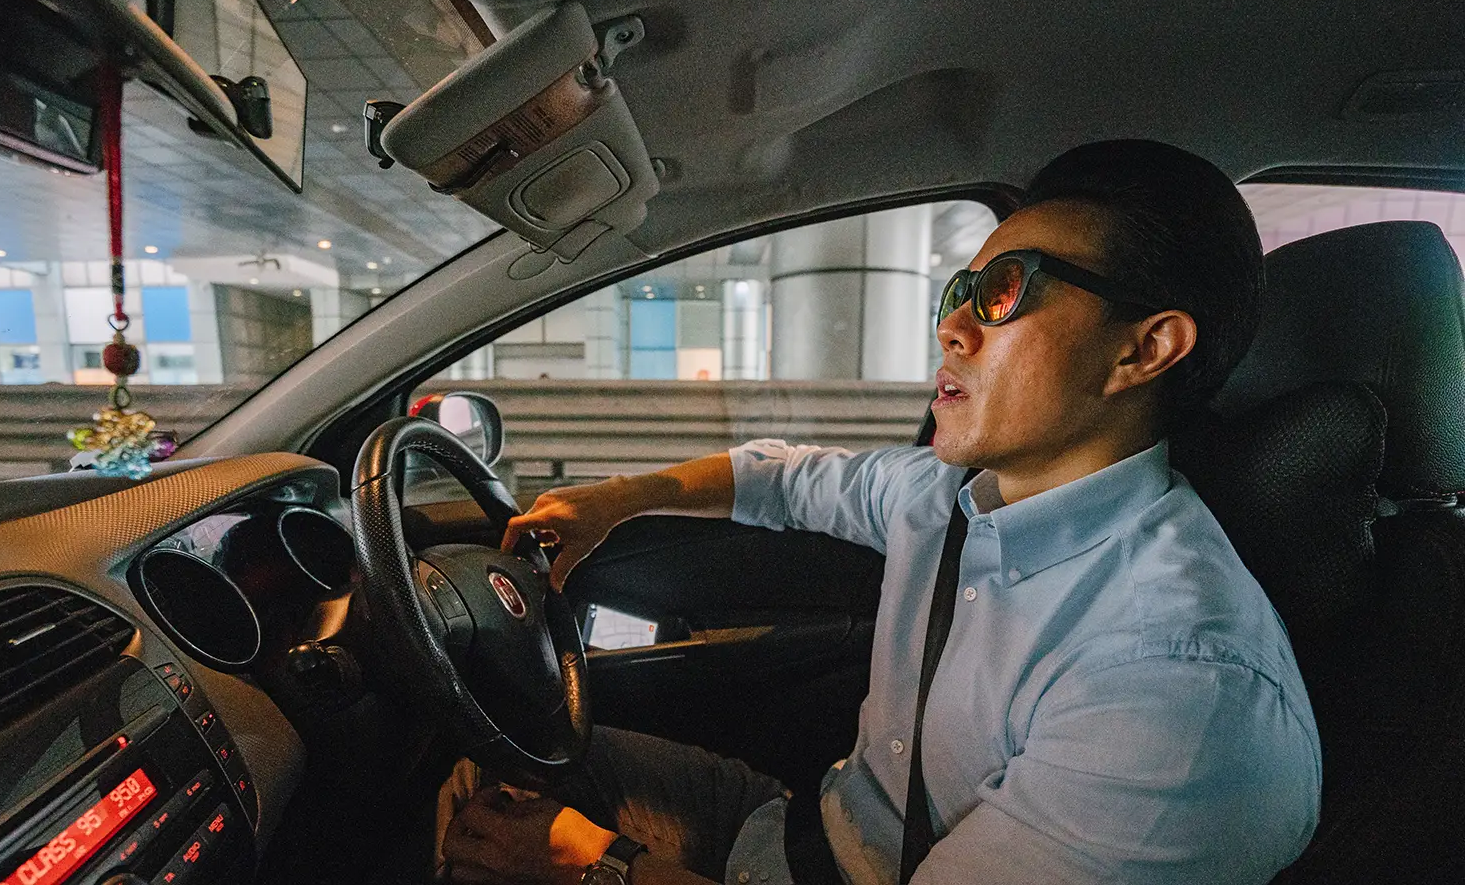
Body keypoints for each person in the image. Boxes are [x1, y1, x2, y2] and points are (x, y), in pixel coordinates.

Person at [437, 140, 1322, 885]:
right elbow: (786, 476)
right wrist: (619, 501)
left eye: (1006, 290)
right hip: (790, 835)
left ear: (1145, 348)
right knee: (477, 759)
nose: (953, 328)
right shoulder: (949, 499)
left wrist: (595, 863)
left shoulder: (1177, 693)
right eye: (956, 295)